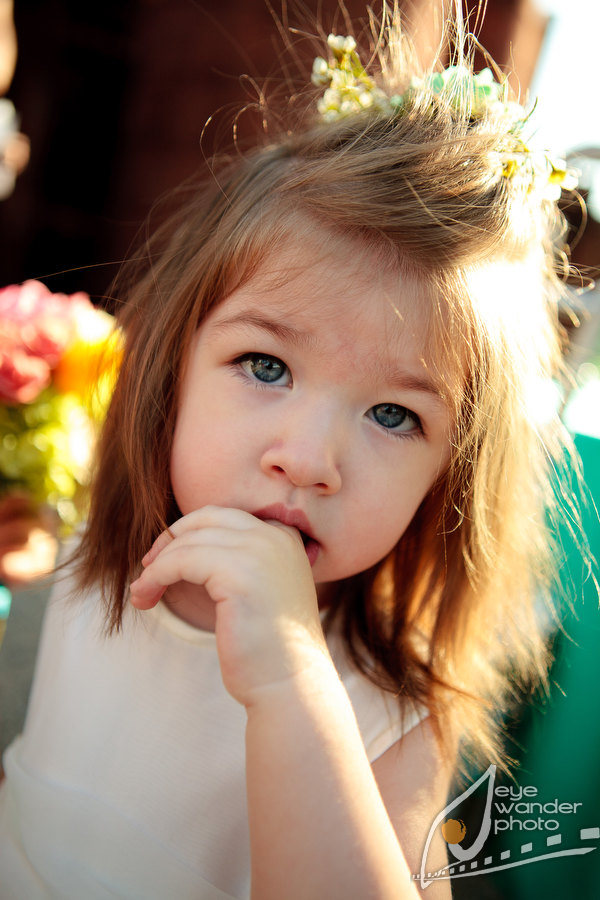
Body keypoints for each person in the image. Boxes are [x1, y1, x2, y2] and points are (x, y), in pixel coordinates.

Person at [0, 3, 584, 897]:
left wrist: (287, 681)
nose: (308, 458)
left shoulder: (390, 716)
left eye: (394, 416)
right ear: (174, 367)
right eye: (265, 364)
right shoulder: (95, 549)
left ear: (447, 483)